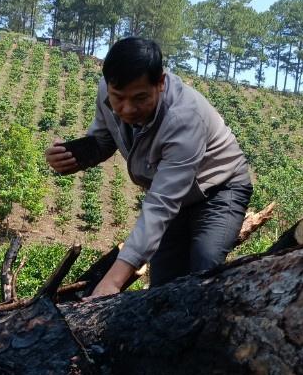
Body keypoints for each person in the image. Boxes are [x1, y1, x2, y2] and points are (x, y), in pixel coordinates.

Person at [45, 37, 252, 298]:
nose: (127, 109)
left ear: (161, 83)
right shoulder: (107, 92)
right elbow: (103, 141)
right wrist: (71, 158)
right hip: (176, 197)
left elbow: (161, 205)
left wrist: (112, 282)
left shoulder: (184, 118)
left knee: (204, 273)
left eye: (140, 98)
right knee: (162, 290)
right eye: (118, 98)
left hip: (219, 190)